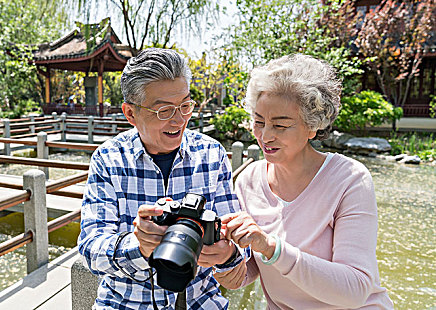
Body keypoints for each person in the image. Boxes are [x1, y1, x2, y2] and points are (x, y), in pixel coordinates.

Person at [214, 54, 394, 309]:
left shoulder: (350, 179)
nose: (265, 136)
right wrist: (223, 260)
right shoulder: (248, 180)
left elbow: (354, 290)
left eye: (280, 125)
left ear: (313, 126)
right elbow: (246, 273)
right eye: (258, 122)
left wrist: (271, 247)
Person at [78, 48, 244, 309]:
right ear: (130, 113)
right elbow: (91, 248)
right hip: (124, 303)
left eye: (186, 105)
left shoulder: (213, 154)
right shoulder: (109, 159)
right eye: (164, 111)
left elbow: (236, 241)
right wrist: (138, 244)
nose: (179, 119)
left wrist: (228, 254)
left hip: (200, 301)